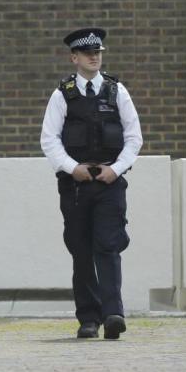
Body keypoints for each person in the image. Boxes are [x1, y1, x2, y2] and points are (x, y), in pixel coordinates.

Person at [40, 27, 143, 340]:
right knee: (81, 250)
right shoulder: (62, 94)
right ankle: (88, 318)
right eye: (87, 53)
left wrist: (117, 169)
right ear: (74, 58)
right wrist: (73, 169)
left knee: (109, 246)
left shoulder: (116, 91)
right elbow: (49, 140)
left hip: (110, 183)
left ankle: (113, 314)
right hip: (75, 187)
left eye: (97, 52)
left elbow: (133, 137)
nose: (94, 57)